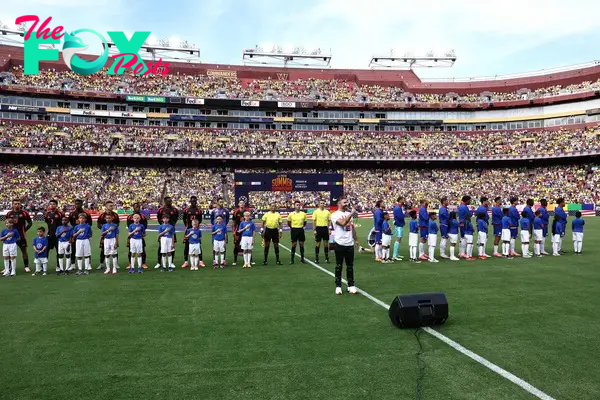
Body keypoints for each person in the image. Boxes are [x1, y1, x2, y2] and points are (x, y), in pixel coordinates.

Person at [331, 197, 358, 295]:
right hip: (339, 243)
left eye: (347, 202)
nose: (346, 204)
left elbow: (352, 227)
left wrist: (356, 239)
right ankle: (338, 286)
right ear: (339, 203)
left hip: (349, 243)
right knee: (339, 265)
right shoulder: (334, 215)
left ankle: (351, 285)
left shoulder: (348, 214)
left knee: (350, 266)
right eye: (344, 202)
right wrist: (351, 213)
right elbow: (343, 223)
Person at [6, 199, 32, 273]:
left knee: (24, 251)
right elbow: (7, 223)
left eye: (18, 204)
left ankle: (26, 266)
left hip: (21, 236)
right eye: (15, 204)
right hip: (11, 236)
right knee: (9, 252)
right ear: (12, 205)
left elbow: (30, 223)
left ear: (20, 204)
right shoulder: (9, 213)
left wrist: (25, 230)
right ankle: (9, 267)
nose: (17, 205)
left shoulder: (24, 213)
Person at [97, 201, 121, 271]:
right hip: (105, 236)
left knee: (115, 249)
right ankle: (101, 263)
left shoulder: (115, 215)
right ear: (106, 206)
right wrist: (105, 229)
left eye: (112, 205)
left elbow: (118, 224)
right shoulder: (102, 215)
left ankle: (115, 264)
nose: (112, 207)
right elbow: (98, 224)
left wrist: (114, 228)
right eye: (110, 206)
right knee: (103, 249)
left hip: (113, 235)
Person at [156, 197, 179, 269]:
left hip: (171, 229)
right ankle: (159, 263)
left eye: (171, 201)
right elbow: (158, 218)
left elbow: (176, 218)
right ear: (165, 201)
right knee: (161, 247)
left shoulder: (174, 209)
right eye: (168, 201)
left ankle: (171, 263)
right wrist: (162, 225)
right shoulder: (161, 209)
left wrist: (172, 225)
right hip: (163, 230)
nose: (170, 202)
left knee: (172, 247)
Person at [69, 199, 92, 270]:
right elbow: (71, 223)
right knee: (73, 248)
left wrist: (84, 228)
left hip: (84, 234)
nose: (77, 205)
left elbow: (90, 223)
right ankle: (72, 264)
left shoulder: (86, 213)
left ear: (81, 204)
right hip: (75, 233)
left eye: (78, 203)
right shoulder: (72, 214)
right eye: (76, 203)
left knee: (87, 250)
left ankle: (88, 265)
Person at [44, 199, 65, 273]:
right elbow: (48, 224)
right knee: (46, 251)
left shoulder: (60, 214)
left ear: (56, 205)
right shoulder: (47, 214)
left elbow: (64, 224)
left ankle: (58, 266)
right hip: (50, 235)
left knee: (59, 251)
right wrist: (46, 233)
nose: (52, 205)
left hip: (58, 236)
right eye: (51, 204)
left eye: (53, 204)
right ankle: (44, 267)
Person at [182, 196, 203, 268]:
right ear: (190, 201)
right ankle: (186, 262)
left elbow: (200, 220)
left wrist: (196, 226)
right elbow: (184, 219)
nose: (194, 202)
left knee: (198, 244)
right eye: (192, 201)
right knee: (187, 245)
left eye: (195, 201)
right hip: (188, 229)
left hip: (196, 230)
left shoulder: (199, 210)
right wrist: (188, 227)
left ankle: (200, 261)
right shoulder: (186, 210)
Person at [127, 203, 148, 269]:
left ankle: (143, 263)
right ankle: (130, 264)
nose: (137, 208)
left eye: (139, 207)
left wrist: (142, 232)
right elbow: (129, 226)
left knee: (142, 250)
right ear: (133, 207)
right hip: (132, 236)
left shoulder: (143, 216)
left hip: (140, 236)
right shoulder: (129, 217)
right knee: (131, 250)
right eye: (136, 207)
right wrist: (132, 233)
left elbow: (145, 226)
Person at [210, 199, 230, 264]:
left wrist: (223, 225)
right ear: (217, 202)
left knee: (224, 245)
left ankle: (223, 260)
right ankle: (214, 260)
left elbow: (227, 219)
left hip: (223, 229)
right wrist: (215, 226)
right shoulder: (214, 211)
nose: (221, 203)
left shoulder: (226, 210)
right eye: (220, 202)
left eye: (222, 201)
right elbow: (211, 219)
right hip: (216, 229)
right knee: (215, 245)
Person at [312, 200, 331, 264]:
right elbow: (314, 221)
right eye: (321, 203)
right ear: (319, 204)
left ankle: (326, 258)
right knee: (318, 244)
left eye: (323, 203)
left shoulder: (327, 212)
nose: (322, 204)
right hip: (318, 228)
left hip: (325, 228)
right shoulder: (316, 212)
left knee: (326, 244)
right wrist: (314, 230)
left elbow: (329, 221)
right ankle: (317, 258)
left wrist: (330, 229)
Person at [231, 199, 249, 267]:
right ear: (238, 204)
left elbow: (249, 221)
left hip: (245, 231)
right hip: (238, 231)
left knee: (248, 244)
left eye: (243, 203)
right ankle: (235, 260)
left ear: (244, 205)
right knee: (236, 244)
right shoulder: (235, 212)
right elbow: (233, 222)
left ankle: (250, 260)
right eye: (240, 203)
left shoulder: (247, 212)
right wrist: (233, 231)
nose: (241, 204)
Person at [392, 197, 406, 261]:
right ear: (400, 200)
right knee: (398, 239)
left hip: (399, 224)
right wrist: (403, 214)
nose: (404, 201)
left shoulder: (399, 207)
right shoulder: (397, 208)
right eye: (403, 199)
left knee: (399, 239)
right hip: (398, 225)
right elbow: (400, 217)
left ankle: (396, 254)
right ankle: (394, 255)